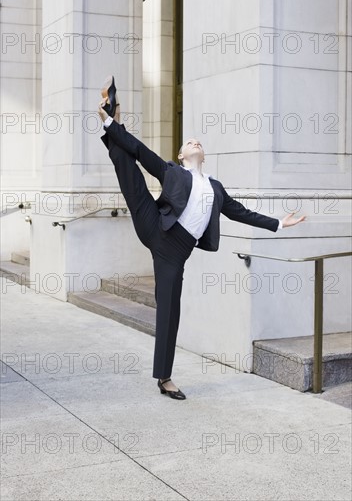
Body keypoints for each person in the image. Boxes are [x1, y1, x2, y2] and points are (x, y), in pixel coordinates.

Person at [98, 76, 307, 400]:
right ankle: (111, 118)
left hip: (175, 251)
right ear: (181, 155)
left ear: (203, 155)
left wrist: (279, 223)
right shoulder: (173, 172)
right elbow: (141, 151)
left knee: (170, 308)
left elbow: (241, 213)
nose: (194, 142)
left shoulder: (216, 189)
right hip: (154, 223)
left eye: (198, 142)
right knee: (130, 171)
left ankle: (164, 378)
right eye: (189, 142)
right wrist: (112, 125)